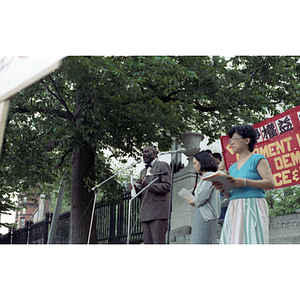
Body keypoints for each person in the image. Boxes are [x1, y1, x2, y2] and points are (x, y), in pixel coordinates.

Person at [212, 125, 275, 244]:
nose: (231, 143)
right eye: (230, 140)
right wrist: (222, 189)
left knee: (253, 240)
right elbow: (232, 195)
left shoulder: (257, 159)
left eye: (235, 139)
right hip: (234, 206)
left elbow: (270, 183)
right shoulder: (232, 168)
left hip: (253, 204)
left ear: (247, 140)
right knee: (233, 241)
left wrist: (245, 182)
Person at [131, 145, 171, 244]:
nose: (144, 154)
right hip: (146, 214)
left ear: (154, 153)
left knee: (158, 243)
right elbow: (144, 191)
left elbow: (167, 186)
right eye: (143, 152)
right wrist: (135, 189)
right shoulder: (143, 171)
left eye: (146, 152)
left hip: (158, 213)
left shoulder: (162, 165)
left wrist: (148, 185)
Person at [186, 151, 221, 244]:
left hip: (206, 216)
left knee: (201, 241)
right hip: (203, 214)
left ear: (202, 162)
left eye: (195, 163)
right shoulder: (206, 176)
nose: (194, 166)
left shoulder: (209, 176)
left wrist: (193, 201)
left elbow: (202, 196)